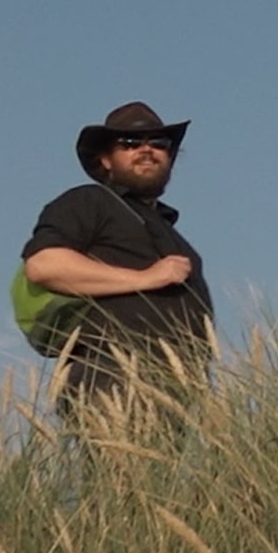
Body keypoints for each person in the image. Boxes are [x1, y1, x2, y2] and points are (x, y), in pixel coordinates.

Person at [21, 101, 216, 428]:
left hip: (178, 392)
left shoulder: (171, 234)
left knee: (155, 481)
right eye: (129, 143)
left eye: (159, 143)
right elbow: (45, 264)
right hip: (113, 378)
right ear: (105, 159)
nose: (146, 149)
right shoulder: (88, 201)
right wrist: (147, 277)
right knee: (123, 478)